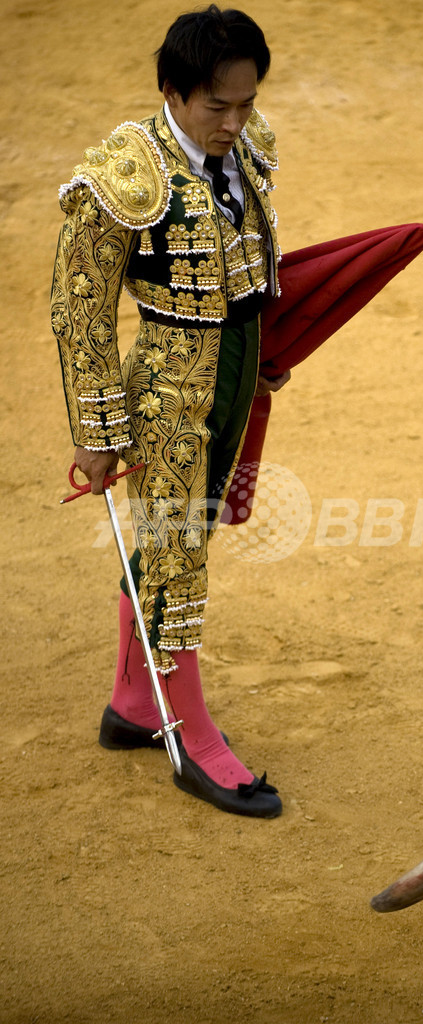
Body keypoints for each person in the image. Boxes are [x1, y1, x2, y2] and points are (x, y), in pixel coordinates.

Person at [51, 6, 289, 819]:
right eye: (215, 106)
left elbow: (253, 257)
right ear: (172, 93)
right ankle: (191, 738)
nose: (233, 122)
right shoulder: (124, 172)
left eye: (245, 103)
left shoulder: (247, 147)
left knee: (184, 534)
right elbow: (79, 307)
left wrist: (267, 354)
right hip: (166, 386)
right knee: (176, 551)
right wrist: (98, 431)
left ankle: (132, 701)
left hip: (237, 369)